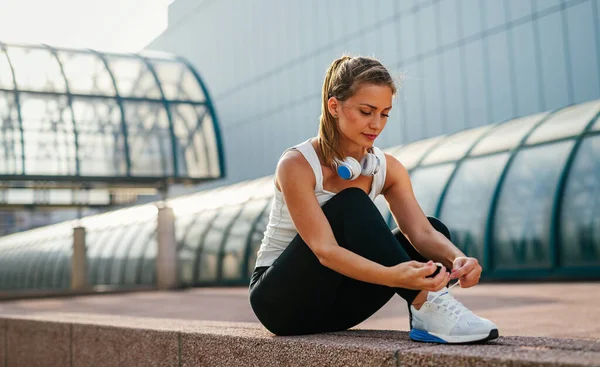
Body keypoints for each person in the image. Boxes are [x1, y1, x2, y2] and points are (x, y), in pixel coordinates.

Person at [248, 55, 499, 344]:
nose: (376, 124)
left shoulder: (387, 167)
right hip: (281, 304)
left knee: (433, 231)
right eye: (366, 111)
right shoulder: (297, 164)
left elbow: (421, 232)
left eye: (384, 113)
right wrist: (396, 277)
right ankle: (426, 302)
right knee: (351, 202)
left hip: (338, 308)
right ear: (334, 106)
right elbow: (325, 251)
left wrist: (458, 257)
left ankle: (427, 314)